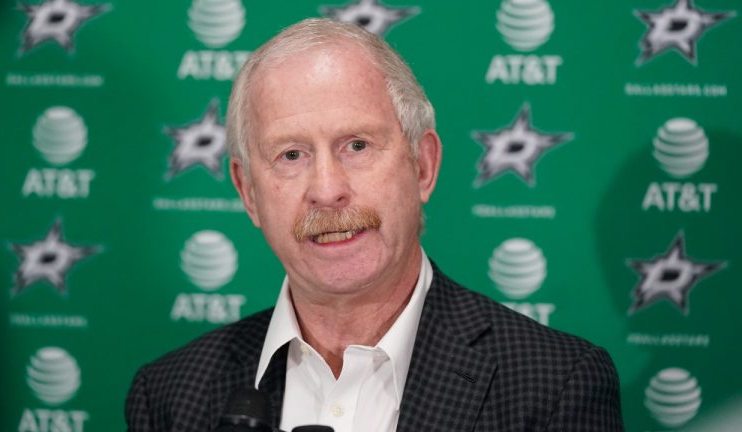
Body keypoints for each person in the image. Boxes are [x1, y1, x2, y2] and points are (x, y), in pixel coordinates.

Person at [125, 18, 622, 432]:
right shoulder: (170, 396)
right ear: (249, 193)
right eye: (291, 154)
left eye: (356, 146)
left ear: (422, 166)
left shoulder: (554, 386)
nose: (327, 188)